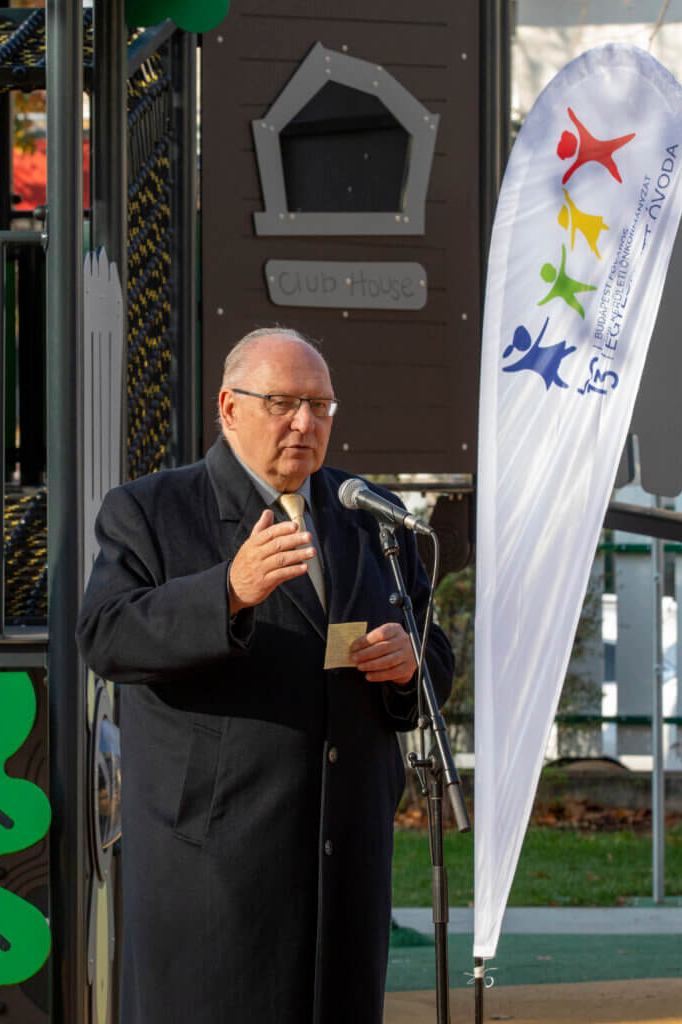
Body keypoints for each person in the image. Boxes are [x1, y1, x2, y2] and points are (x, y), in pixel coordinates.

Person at [76, 327, 454, 1024]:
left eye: (321, 406)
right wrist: (226, 591)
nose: (304, 424)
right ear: (228, 407)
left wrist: (408, 663)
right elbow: (107, 636)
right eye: (282, 403)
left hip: (345, 850)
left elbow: (435, 656)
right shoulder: (151, 510)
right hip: (217, 860)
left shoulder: (367, 514)